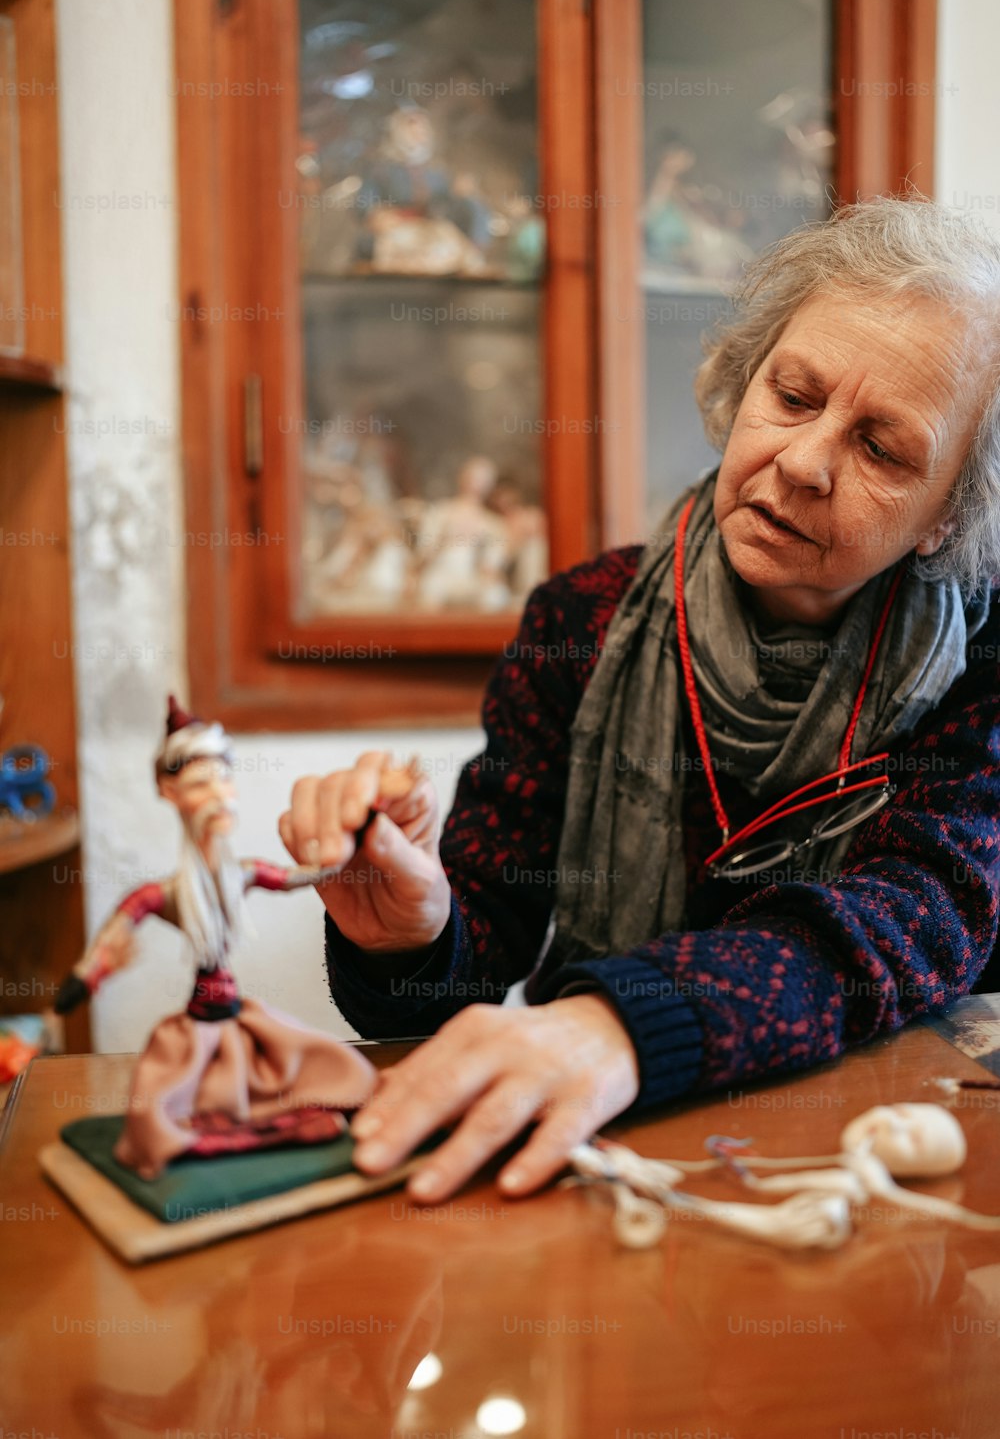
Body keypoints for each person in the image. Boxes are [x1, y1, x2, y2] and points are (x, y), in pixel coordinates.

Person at [279, 197, 1000, 1207]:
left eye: (882, 451)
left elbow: (902, 926)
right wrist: (410, 929)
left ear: (947, 518)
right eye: (792, 396)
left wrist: (618, 1023)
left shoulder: (983, 662)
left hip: (873, 1174)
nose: (800, 462)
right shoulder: (581, 619)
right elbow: (465, 973)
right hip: (608, 1158)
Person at [55, 697, 380, 1178]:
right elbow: (121, 927)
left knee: (323, 1064)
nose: (219, 795)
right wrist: (88, 977)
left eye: (223, 779)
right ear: (169, 790)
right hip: (200, 1021)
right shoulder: (163, 894)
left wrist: (346, 849)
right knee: (171, 1087)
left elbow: (295, 877)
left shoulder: (241, 874)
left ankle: (295, 1115)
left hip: (233, 1016)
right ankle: (191, 1132)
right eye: (201, 783)